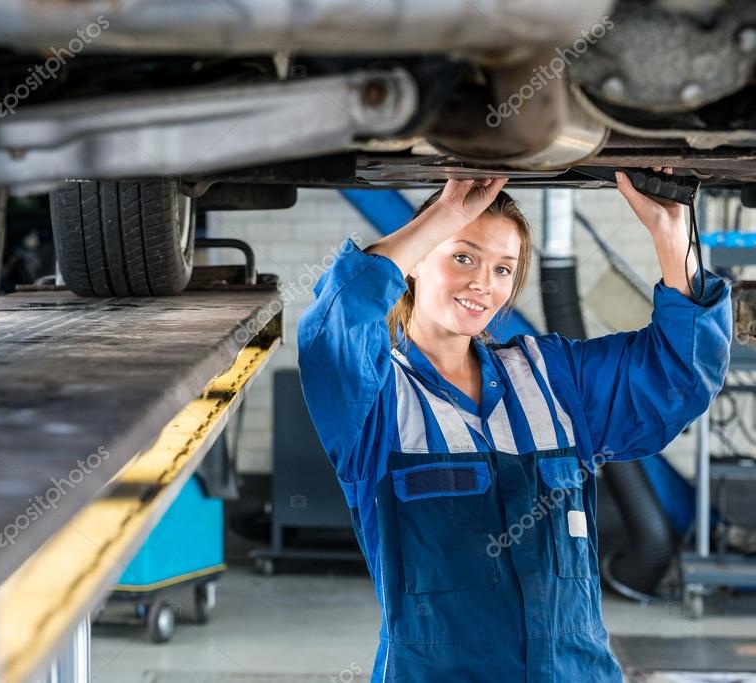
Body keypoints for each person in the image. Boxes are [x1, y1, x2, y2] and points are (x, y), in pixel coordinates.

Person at [296, 171, 732, 681]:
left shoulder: (551, 377)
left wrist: (670, 233)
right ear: (414, 265)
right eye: (463, 256)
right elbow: (333, 326)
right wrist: (445, 215)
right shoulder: (375, 400)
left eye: (504, 268)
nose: (484, 283)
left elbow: (681, 372)